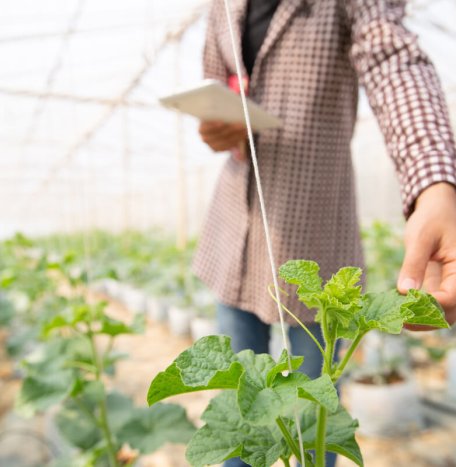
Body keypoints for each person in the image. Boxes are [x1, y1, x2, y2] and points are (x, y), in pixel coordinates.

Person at [193, 0, 456, 466]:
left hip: (314, 229)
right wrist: (216, 125)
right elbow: (215, 76)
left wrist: (434, 183)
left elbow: (392, 57)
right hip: (235, 228)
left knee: (316, 419)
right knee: (241, 413)